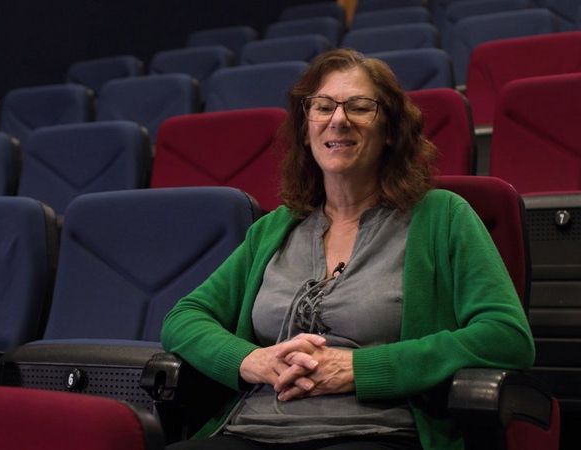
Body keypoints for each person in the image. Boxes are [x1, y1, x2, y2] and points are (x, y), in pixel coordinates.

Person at [160, 48, 534, 450]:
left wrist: (361, 368)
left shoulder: (442, 216)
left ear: (390, 129)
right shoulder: (274, 228)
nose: (338, 119)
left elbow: (506, 338)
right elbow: (183, 318)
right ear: (307, 129)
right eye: (322, 107)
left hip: (375, 431)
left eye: (359, 107)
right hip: (253, 428)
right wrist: (251, 361)